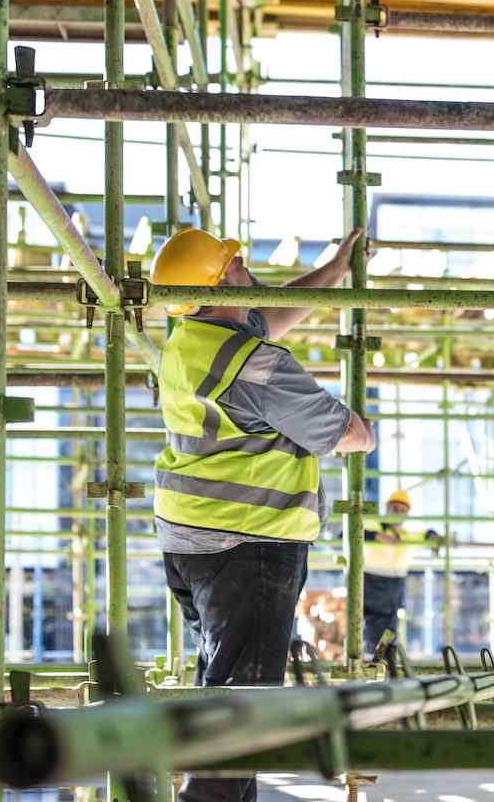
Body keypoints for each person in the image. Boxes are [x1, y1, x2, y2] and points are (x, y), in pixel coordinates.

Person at [149, 227, 377, 802]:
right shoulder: (256, 367)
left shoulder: (190, 339)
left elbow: (273, 313)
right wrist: (364, 428)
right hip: (248, 546)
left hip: (190, 543)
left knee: (225, 696)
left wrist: (334, 269)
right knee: (245, 715)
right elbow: (350, 435)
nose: (246, 268)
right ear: (219, 285)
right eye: (235, 264)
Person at [362, 489, 439, 654]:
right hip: (372, 584)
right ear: (387, 508)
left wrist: (432, 535)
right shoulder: (373, 525)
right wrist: (377, 535)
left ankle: (384, 657)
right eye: (395, 508)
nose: (398, 513)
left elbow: (426, 535)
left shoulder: (405, 536)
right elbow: (348, 533)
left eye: (403, 510)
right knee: (373, 626)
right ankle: (374, 657)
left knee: (389, 629)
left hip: (394, 588)